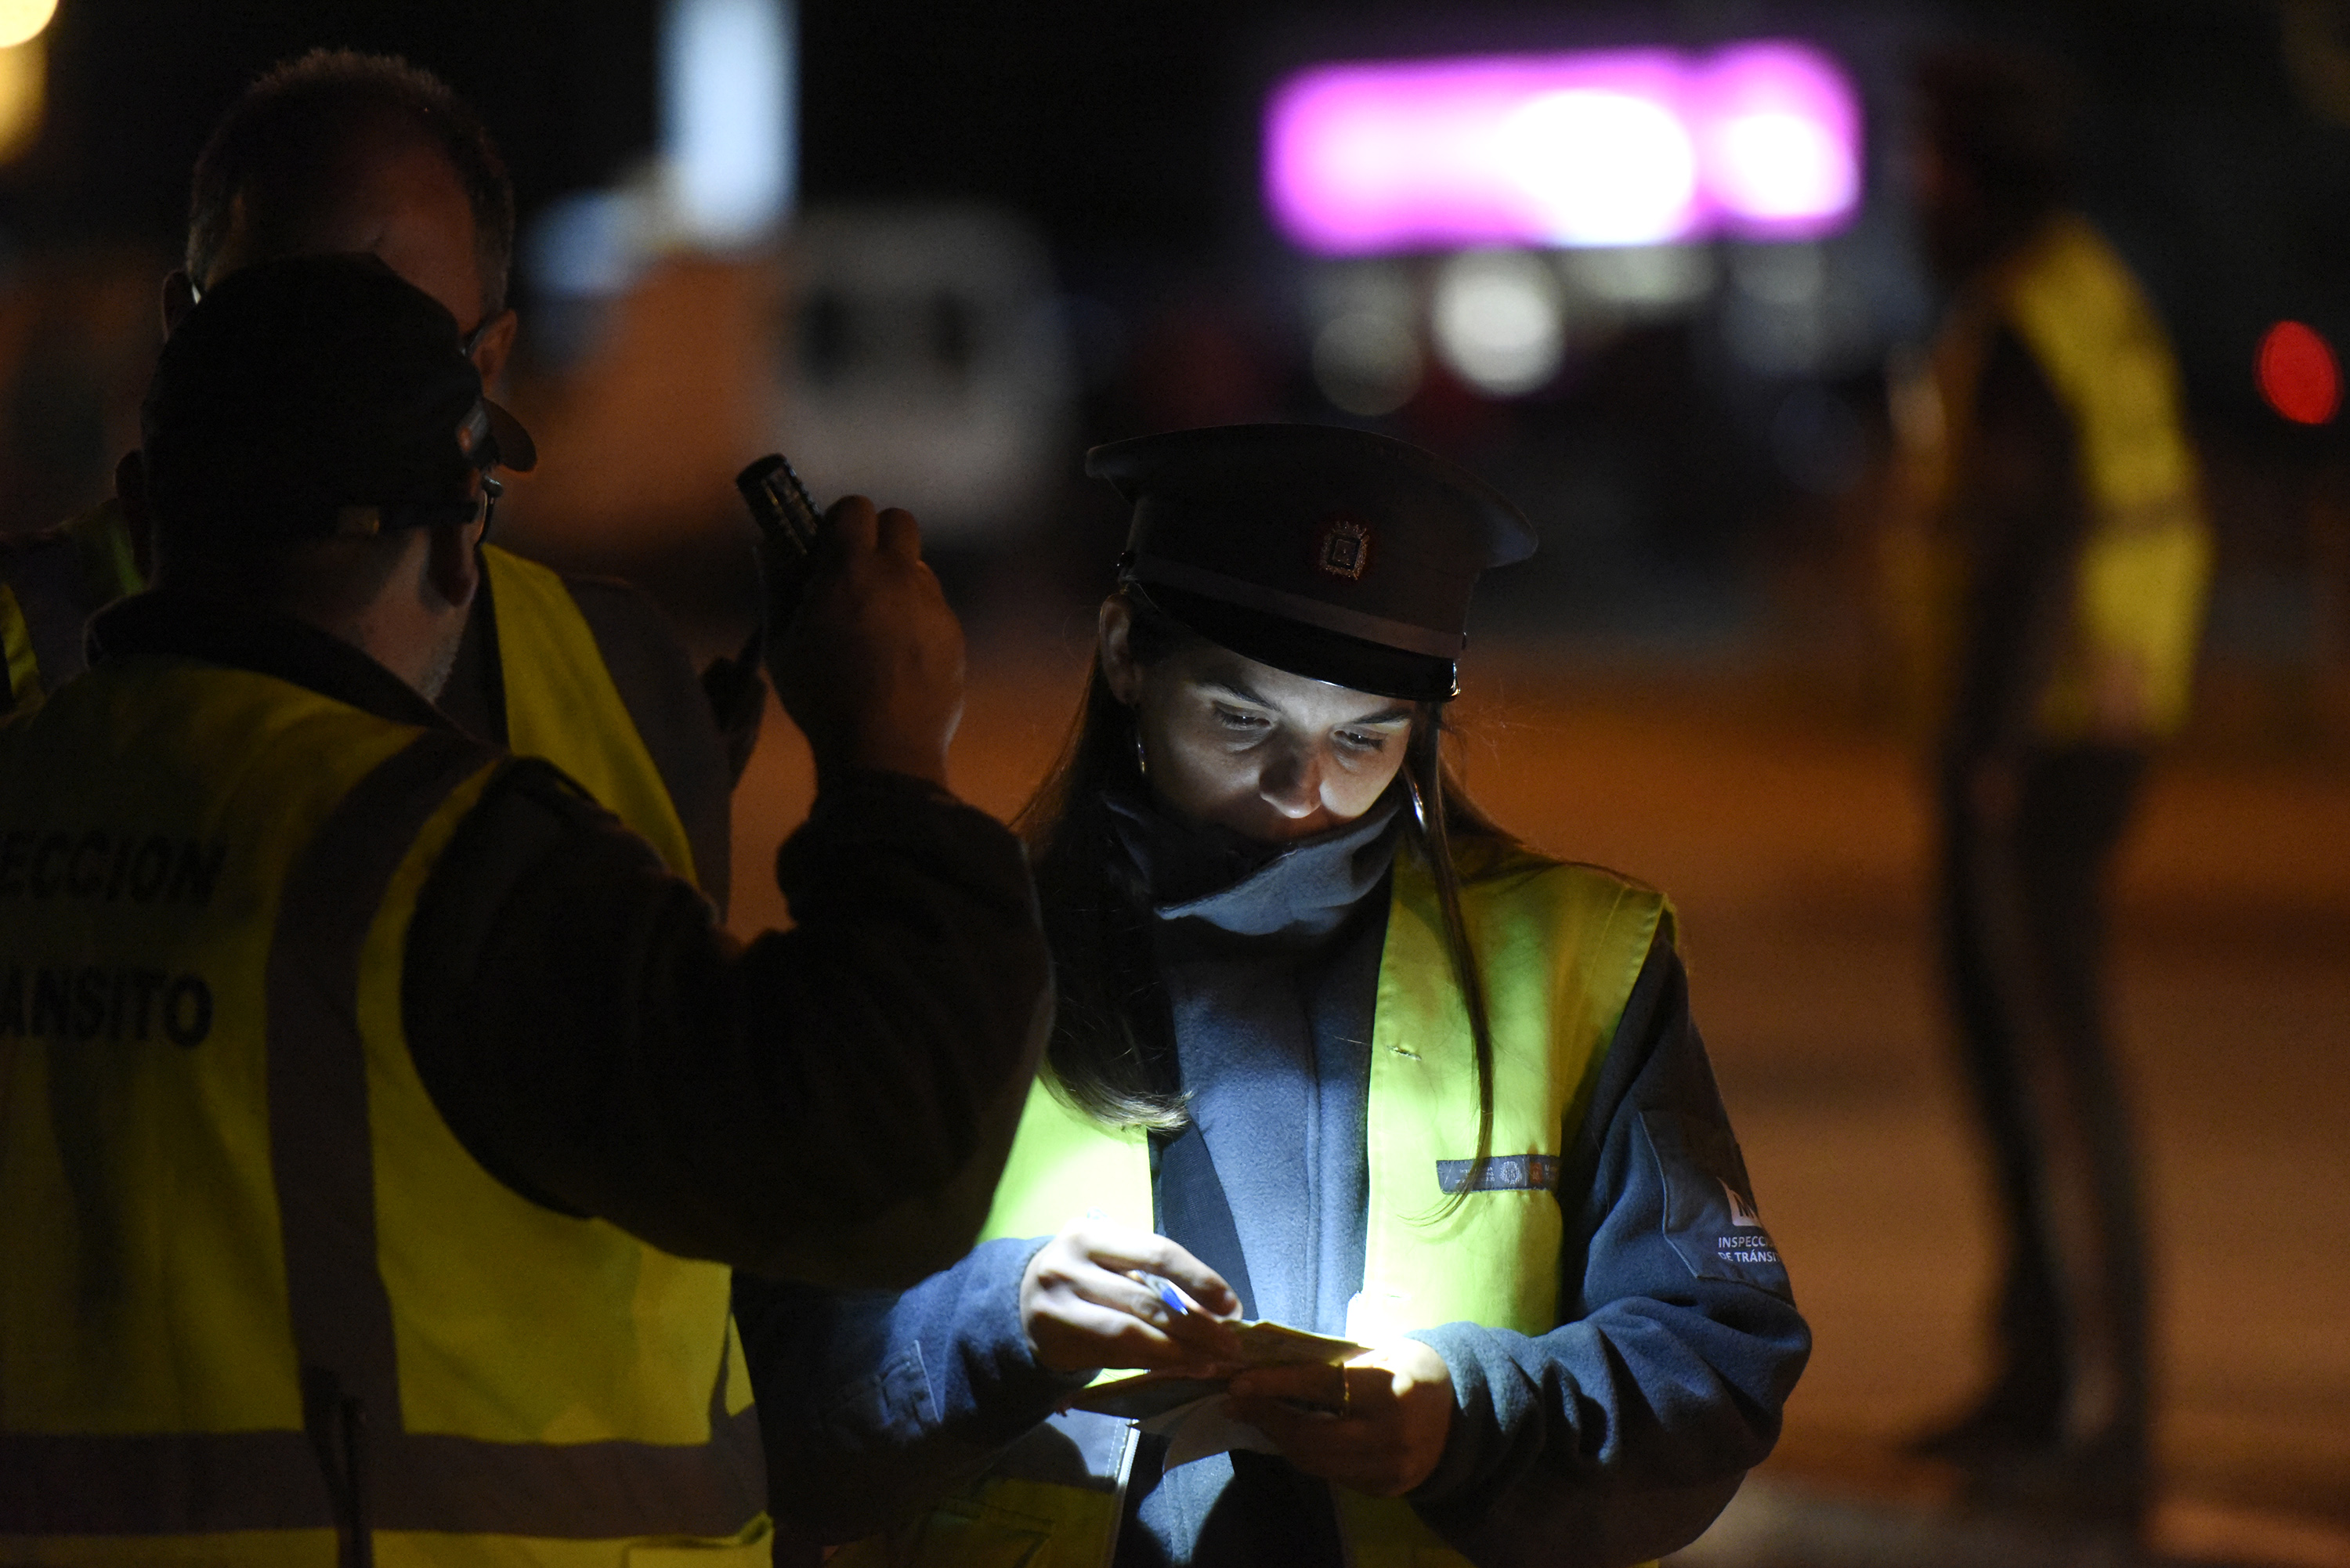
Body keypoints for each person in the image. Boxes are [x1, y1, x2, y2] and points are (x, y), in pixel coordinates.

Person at [0, 254, 1050, 1561]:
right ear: (457, 543)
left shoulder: (30, 777)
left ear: (147, 513)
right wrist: (887, 749)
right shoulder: (427, 855)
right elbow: (881, 1149)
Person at [737, 424, 1810, 1567]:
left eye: (1364, 735)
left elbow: (1717, 1357)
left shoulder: (1577, 959)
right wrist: (1001, 1322)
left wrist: (1472, 1410)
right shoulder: (944, 957)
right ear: (1123, 655)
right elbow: (766, 1392)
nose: (1304, 789)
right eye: (1241, 719)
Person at [0, 49, 755, 913]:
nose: (333, 399)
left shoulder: (627, 684)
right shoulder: (16, 652)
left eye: (395, 354)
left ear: (492, 360)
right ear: (182, 331)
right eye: (282, 332)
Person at [1885, 50, 2213, 1526]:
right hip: (2076, 724)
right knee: (2016, 1062)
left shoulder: (2027, 323)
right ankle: (2033, 1374)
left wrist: (1995, 752)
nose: (1915, 192)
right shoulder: (2074, 292)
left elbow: (2035, 538)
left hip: (2043, 741)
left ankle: (2103, 1422)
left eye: (1930, 167)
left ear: (1973, 176)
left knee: (2055, 1076)